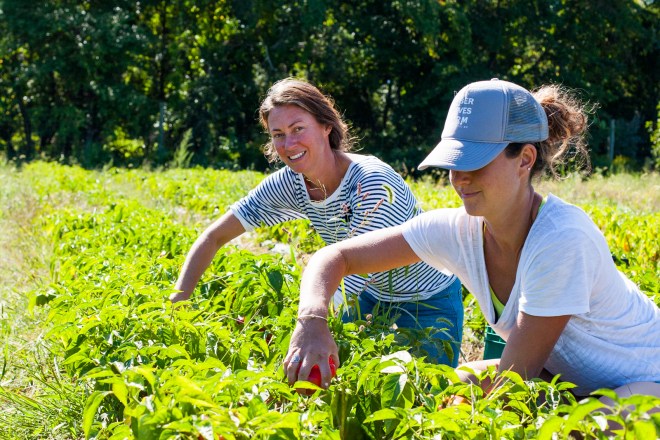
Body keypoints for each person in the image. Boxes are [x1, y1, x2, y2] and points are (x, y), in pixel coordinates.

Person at [284, 79, 660, 404]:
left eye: (475, 162)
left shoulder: (561, 239)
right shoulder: (458, 231)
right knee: (440, 388)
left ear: (524, 159)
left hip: (644, 382)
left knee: (580, 428)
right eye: (454, 162)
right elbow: (335, 257)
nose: (460, 178)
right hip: (565, 378)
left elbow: (514, 385)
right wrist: (312, 322)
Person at [170, 77, 464, 369]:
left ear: (326, 127)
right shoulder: (291, 183)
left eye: (298, 128)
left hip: (426, 302)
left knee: (421, 398)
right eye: (278, 134)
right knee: (335, 386)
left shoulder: (371, 183)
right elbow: (214, 237)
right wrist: (176, 305)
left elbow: (352, 277)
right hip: (368, 298)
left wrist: (297, 330)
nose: (289, 143)